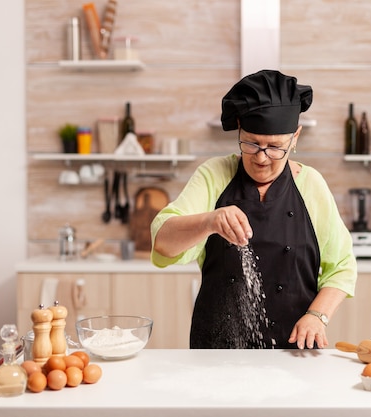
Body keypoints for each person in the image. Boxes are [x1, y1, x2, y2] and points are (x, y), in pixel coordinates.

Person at [150, 69, 357, 349]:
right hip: (217, 349)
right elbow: (163, 242)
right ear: (239, 130)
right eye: (252, 143)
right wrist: (208, 222)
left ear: (295, 137)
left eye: (275, 147)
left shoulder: (311, 185)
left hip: (294, 351)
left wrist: (317, 315)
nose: (261, 157)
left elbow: (342, 266)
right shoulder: (214, 175)